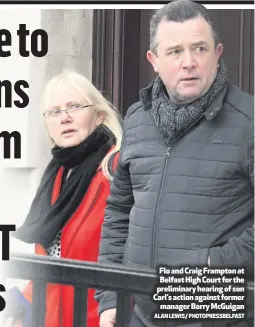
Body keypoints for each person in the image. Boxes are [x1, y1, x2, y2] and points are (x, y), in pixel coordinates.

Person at [95, 1, 254, 326]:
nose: (189, 62)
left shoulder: (249, 121)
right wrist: (110, 295)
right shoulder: (138, 119)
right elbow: (119, 212)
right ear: (154, 60)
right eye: (175, 51)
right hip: (138, 312)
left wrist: (213, 261)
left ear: (217, 52)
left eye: (199, 48)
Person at [4, 71, 123, 327]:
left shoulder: (115, 170)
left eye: (74, 106)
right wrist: (22, 309)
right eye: (54, 112)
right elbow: (51, 260)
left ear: (99, 115)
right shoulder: (57, 174)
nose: (65, 118)